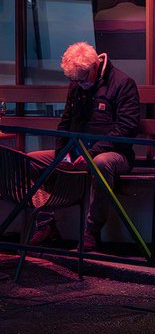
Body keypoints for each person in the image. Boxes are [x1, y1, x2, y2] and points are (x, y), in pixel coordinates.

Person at [28, 42, 144, 250]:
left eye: (82, 79)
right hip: (76, 152)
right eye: (74, 80)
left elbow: (127, 128)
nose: (79, 84)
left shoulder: (122, 83)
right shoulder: (78, 84)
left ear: (93, 67)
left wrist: (91, 154)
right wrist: (61, 153)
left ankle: (91, 232)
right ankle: (45, 224)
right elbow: (65, 122)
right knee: (30, 161)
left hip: (114, 153)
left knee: (100, 164)